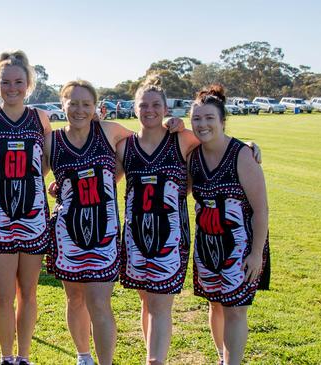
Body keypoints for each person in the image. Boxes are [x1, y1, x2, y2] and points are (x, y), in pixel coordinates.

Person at [0, 50, 51, 365]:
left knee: (28, 293)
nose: (12, 87)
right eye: (5, 82)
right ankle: (6, 357)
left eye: (18, 81)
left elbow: (48, 157)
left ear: (28, 83)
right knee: (4, 296)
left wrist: (36, 176)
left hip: (33, 215)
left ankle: (24, 356)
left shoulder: (40, 117)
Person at [45, 80, 137, 365]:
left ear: (96, 107)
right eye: (73, 103)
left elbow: (149, 142)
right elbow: (30, 172)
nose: (79, 109)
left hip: (104, 231)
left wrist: (112, 177)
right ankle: (83, 356)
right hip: (67, 230)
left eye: (86, 104)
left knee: (99, 301)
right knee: (74, 299)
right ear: (63, 105)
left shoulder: (109, 131)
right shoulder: (52, 140)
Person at [116, 75, 199, 365]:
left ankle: (155, 361)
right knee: (147, 301)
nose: (149, 110)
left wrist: (249, 144)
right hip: (136, 234)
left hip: (171, 235)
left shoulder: (182, 139)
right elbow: (106, 178)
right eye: (143, 105)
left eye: (155, 105)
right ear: (134, 108)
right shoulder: (125, 146)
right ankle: (151, 357)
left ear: (166, 109)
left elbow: (219, 143)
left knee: (161, 304)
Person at [188, 84, 270, 365]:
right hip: (207, 244)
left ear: (222, 121)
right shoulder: (193, 156)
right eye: (197, 119)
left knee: (235, 309)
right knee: (215, 305)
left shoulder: (243, 155)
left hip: (241, 246)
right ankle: (222, 358)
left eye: (210, 118)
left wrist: (256, 253)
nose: (202, 124)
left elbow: (261, 211)